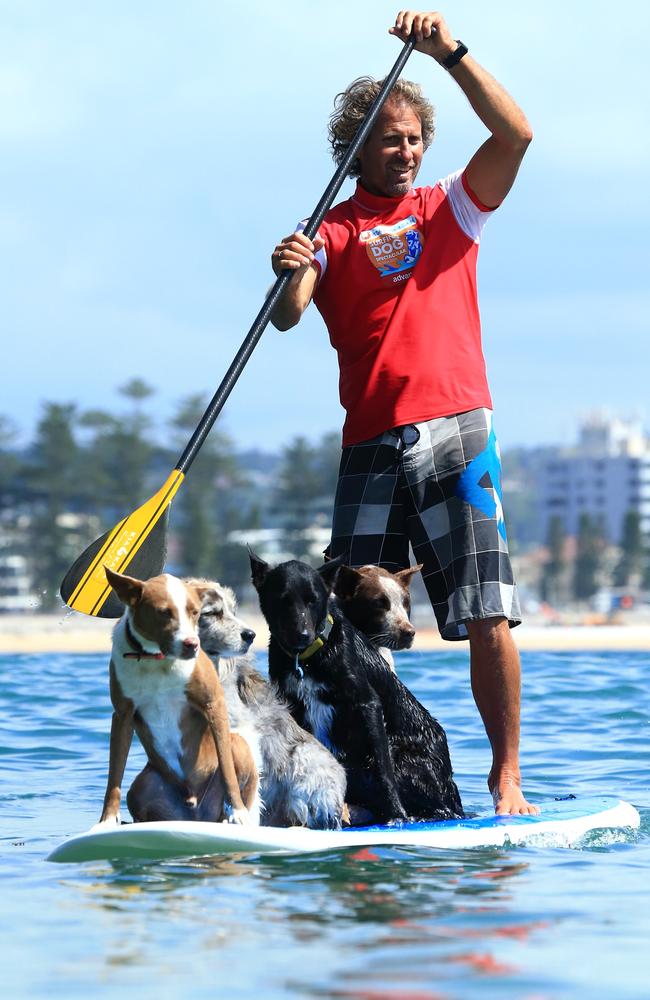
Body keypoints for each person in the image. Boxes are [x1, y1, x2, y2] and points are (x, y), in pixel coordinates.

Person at [269, 10, 537, 816]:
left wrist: (446, 53)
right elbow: (288, 314)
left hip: (459, 431)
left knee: (485, 609)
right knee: (333, 624)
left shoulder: (451, 208)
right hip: (371, 444)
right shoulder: (329, 233)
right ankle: (336, 776)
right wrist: (291, 269)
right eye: (391, 138)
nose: (409, 149)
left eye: (416, 136)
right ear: (355, 149)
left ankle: (505, 777)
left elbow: (517, 135)